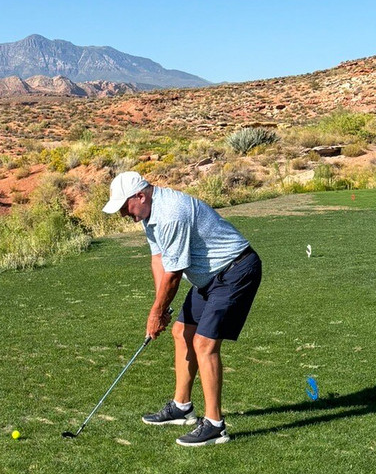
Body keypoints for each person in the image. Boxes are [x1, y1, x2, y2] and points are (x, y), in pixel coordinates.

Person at [102, 172, 262, 446]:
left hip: (235, 270)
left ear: (140, 196)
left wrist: (156, 314)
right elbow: (159, 260)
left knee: (204, 344)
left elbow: (174, 274)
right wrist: (161, 307)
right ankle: (182, 407)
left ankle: (215, 425)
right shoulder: (148, 215)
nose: (123, 214)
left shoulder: (171, 214)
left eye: (124, 207)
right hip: (208, 278)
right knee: (181, 332)